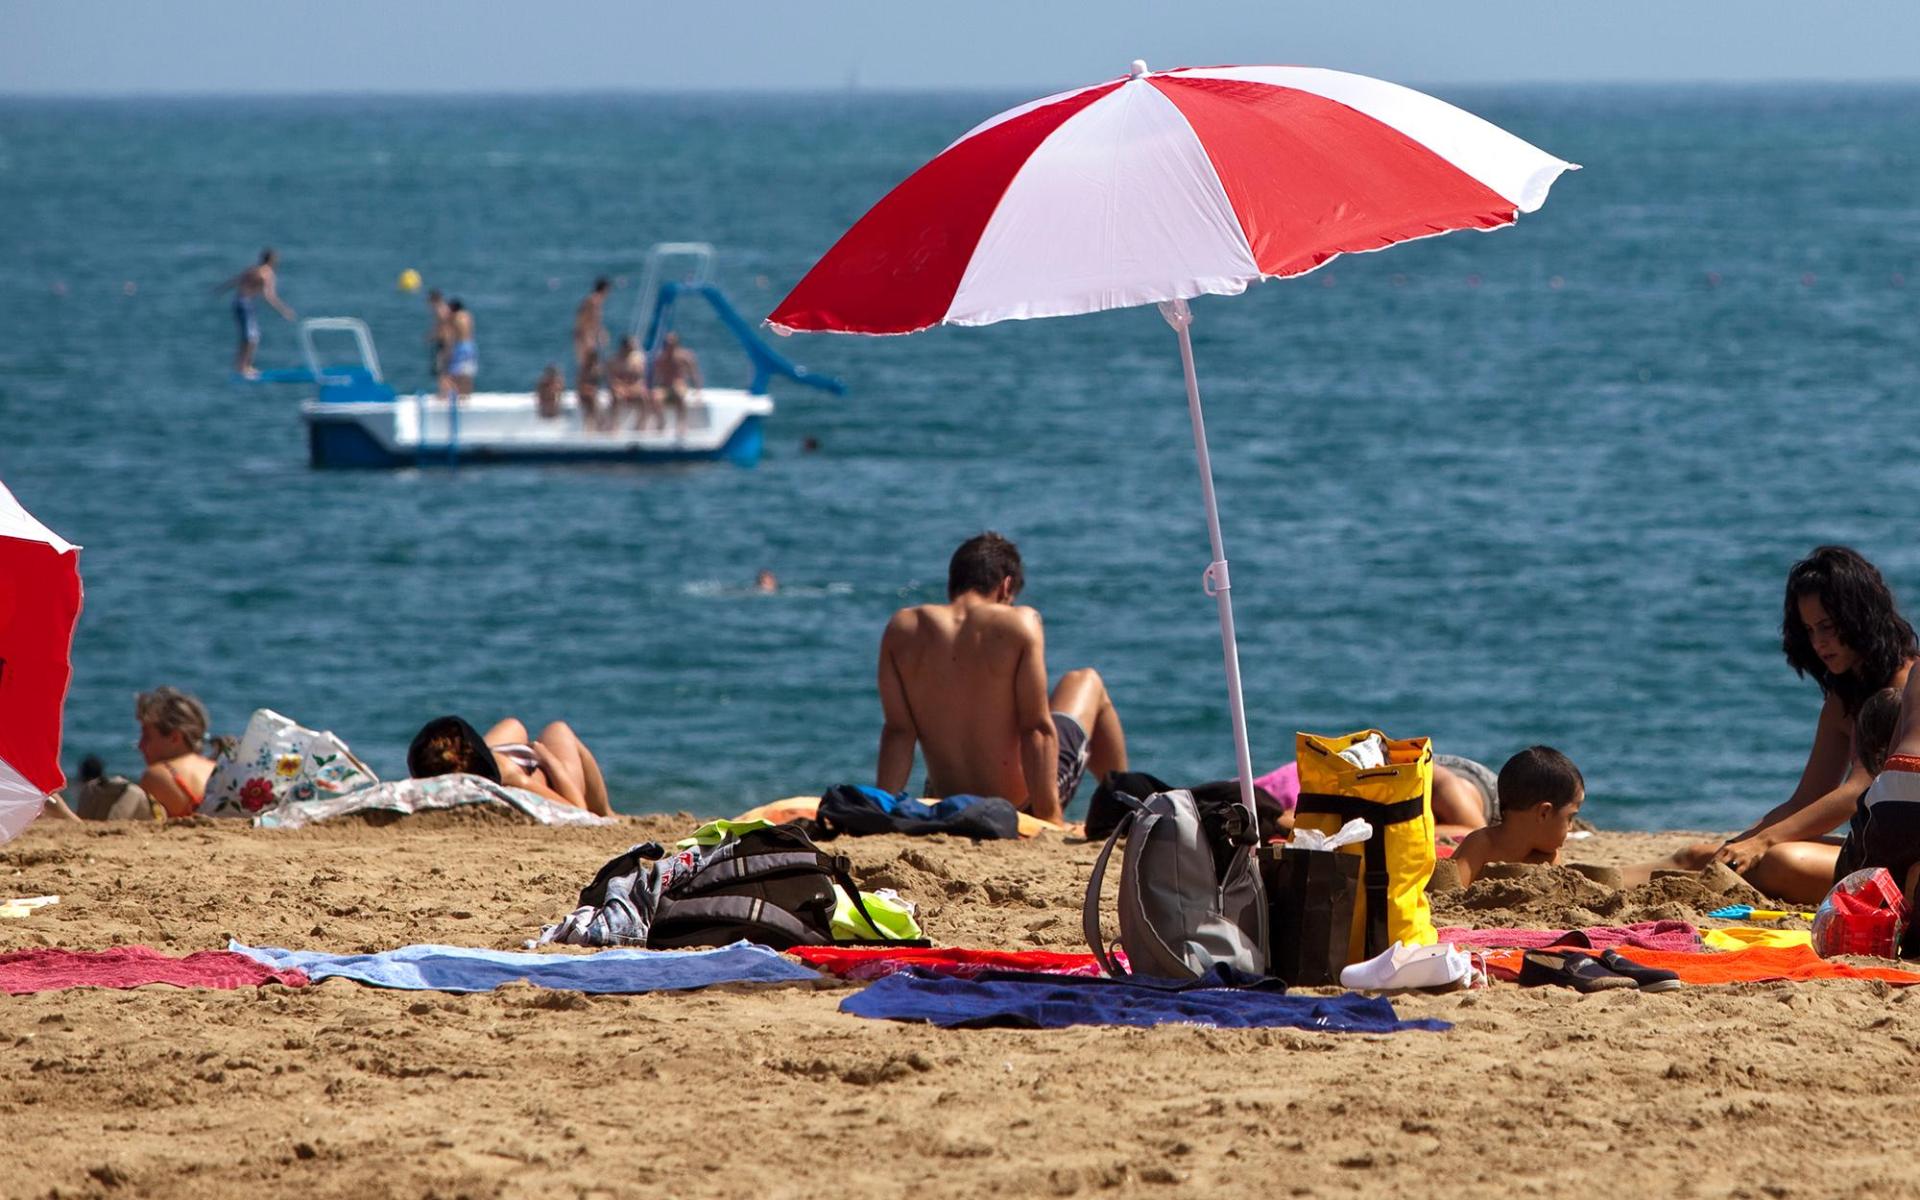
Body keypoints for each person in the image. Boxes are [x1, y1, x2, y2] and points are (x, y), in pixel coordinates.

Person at [1679, 546, 1917, 898]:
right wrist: (1742, 843)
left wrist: (1764, 840)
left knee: (1775, 859)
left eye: (1828, 627)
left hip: (1901, 851)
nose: (1819, 642)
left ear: (1861, 618)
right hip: (1873, 842)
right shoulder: (1841, 702)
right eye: (1809, 630)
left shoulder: (1904, 686)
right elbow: (1806, 799)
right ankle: (1603, 877)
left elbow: (1857, 793)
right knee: (1702, 855)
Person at [875, 532, 1126, 824]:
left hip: (948, 803)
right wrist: (1049, 818)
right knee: (1086, 680)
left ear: (953, 583)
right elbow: (1036, 729)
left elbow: (898, 733)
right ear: (1006, 586)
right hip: (1020, 807)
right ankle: (1125, 806)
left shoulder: (902, 628)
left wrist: (883, 810)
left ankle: (1121, 803)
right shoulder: (1019, 623)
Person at [406, 715, 613, 816]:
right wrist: (548, 760)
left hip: (498, 757)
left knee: (513, 725)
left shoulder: (481, 769)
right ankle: (607, 812)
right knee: (558, 729)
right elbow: (578, 808)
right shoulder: (512, 776)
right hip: (545, 774)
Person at [1451, 746, 1585, 888]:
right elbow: (1448, 892)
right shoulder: (1481, 844)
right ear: (1544, 813)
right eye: (1570, 817)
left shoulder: (1549, 858)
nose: (1571, 827)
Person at [134, 687, 219, 819]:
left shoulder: (157, 776)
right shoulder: (218, 768)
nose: (140, 745)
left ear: (175, 738)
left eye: (147, 736)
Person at [215, 248, 295, 378]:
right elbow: (269, 296)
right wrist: (284, 311)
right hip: (246, 305)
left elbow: (235, 281)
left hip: (238, 303)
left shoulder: (253, 269)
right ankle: (244, 368)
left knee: (248, 337)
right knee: (252, 337)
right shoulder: (267, 273)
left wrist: (220, 290)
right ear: (272, 260)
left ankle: (241, 366)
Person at [652, 331, 702, 436]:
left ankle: (681, 423)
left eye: (671, 343)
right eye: (667, 343)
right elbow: (657, 376)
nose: (668, 345)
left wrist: (698, 390)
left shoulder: (685, 356)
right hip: (665, 387)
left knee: (679, 394)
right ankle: (661, 422)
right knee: (656, 397)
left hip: (679, 385)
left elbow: (694, 374)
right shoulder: (661, 357)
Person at [573, 277, 610, 391]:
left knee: (588, 365)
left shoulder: (590, 300)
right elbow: (593, 320)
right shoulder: (595, 300)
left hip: (584, 335)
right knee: (588, 364)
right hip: (584, 336)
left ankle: (586, 388)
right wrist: (599, 334)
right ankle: (584, 389)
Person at [607, 336, 651, 431]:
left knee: (643, 396)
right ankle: (614, 424)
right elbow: (611, 379)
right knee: (616, 396)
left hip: (634, 387)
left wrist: (632, 388)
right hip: (620, 388)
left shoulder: (638, 360)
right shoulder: (614, 360)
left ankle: (641, 423)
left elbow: (640, 378)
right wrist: (621, 388)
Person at [443, 299, 477, 401]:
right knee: (467, 373)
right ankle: (467, 396)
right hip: (471, 345)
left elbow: (450, 334)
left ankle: (458, 396)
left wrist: (447, 350)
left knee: (454, 373)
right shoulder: (468, 316)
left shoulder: (455, 317)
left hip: (461, 345)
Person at [425, 288, 452, 382]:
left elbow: (442, 327)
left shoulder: (439, 310)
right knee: (445, 367)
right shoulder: (445, 308)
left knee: (440, 368)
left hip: (443, 340)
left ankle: (444, 393)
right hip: (447, 340)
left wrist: (432, 336)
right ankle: (447, 391)